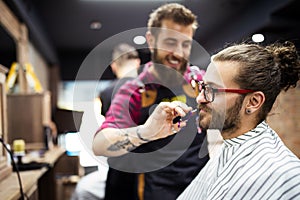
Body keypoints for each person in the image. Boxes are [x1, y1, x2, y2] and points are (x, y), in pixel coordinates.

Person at [135, 41, 300, 199]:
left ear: (253, 102)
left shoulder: (285, 175)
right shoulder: (227, 149)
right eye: (203, 87)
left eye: (212, 90)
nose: (199, 98)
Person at [93, 3, 209, 200]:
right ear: (151, 40)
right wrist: (145, 132)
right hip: (156, 191)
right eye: (171, 42)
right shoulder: (134, 89)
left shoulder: (201, 81)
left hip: (201, 189)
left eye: (186, 44)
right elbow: (100, 143)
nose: (179, 53)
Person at [72, 43, 141, 200]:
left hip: (119, 165)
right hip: (147, 167)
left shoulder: (106, 93)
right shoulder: (149, 89)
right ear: (137, 62)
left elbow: (108, 130)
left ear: (114, 66)